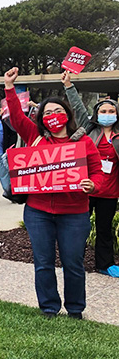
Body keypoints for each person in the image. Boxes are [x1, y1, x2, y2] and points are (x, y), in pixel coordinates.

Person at [4, 67, 103, 319]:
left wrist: (94, 185)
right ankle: (48, 307)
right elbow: (16, 117)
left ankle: (75, 310)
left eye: (58, 111)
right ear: (41, 118)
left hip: (75, 214)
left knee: (73, 264)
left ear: (67, 114)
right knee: (43, 263)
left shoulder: (84, 141)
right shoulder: (35, 137)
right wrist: (9, 87)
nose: (53, 115)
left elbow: (98, 172)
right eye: (48, 112)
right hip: (38, 212)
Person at [63, 71, 119, 276]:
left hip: (109, 193)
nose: (107, 113)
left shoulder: (118, 135)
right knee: (77, 229)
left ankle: (105, 265)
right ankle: (72, 262)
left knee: (104, 231)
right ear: (96, 113)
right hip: (86, 189)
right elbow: (77, 107)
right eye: (103, 110)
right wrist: (69, 86)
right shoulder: (88, 131)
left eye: (111, 110)